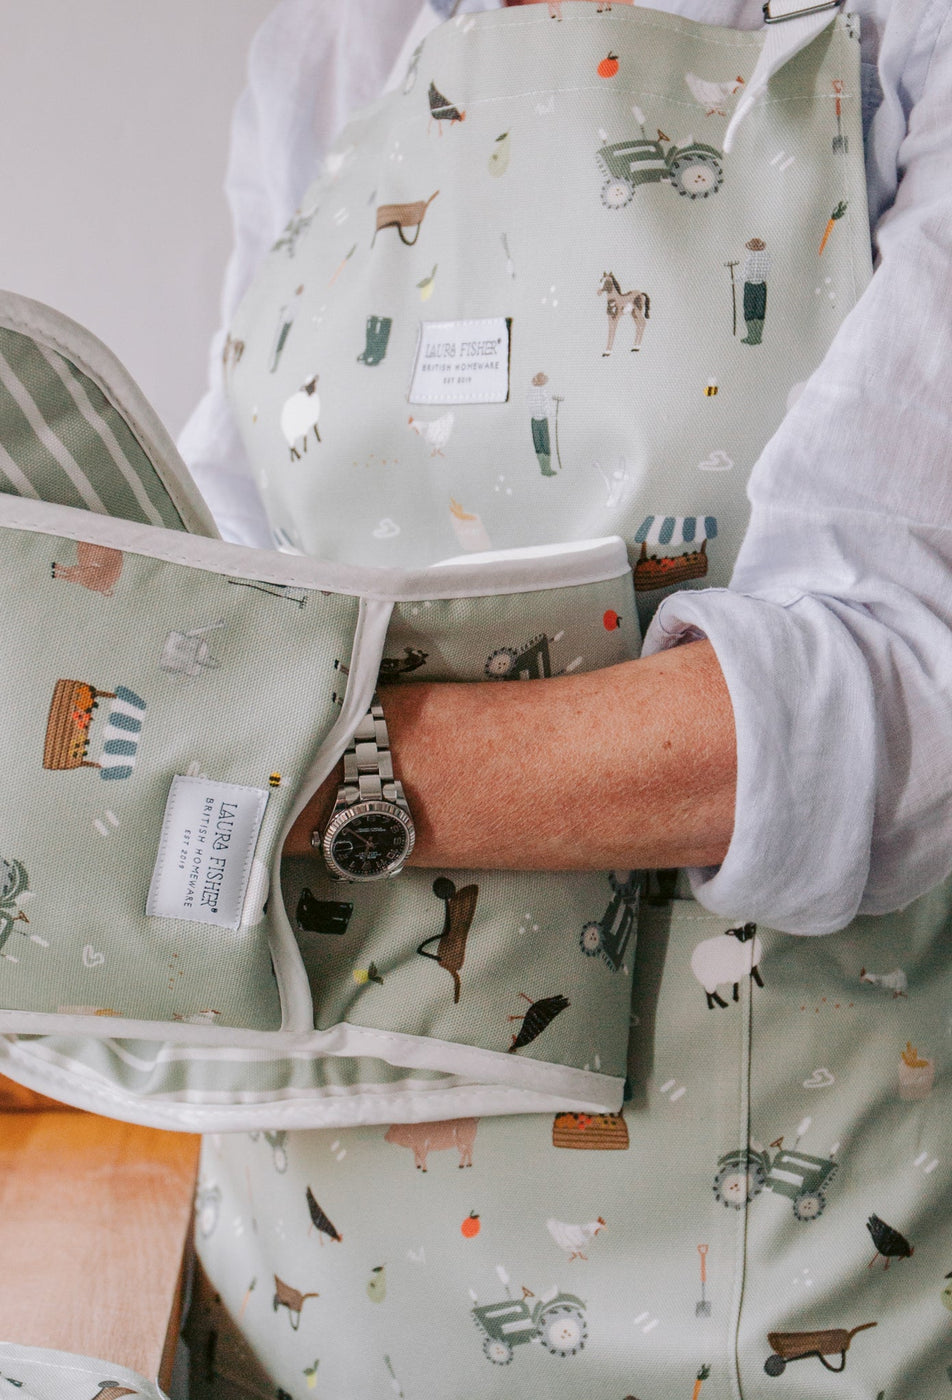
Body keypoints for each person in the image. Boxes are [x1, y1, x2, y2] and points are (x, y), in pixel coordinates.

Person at [173, 0, 952, 1394]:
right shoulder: (342, 40)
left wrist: (267, 765)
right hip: (294, 1284)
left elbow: (893, 718)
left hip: (790, 1285)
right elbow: (215, 568)